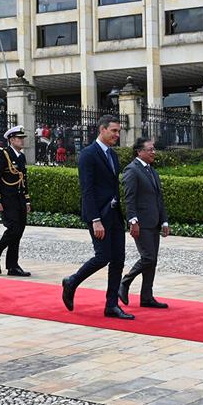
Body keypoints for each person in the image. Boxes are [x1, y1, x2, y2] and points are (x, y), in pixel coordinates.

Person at [61, 115, 132, 320]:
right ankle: (72, 281)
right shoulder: (88, 155)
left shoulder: (113, 155)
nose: (117, 135)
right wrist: (95, 219)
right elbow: (87, 190)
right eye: (114, 131)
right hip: (98, 216)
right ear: (102, 130)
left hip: (114, 215)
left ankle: (111, 305)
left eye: (118, 131)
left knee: (118, 259)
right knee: (103, 256)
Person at [118, 137, 169, 309]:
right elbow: (129, 198)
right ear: (139, 152)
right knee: (148, 258)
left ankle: (146, 296)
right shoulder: (132, 170)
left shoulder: (152, 171)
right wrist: (133, 221)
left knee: (152, 261)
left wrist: (164, 221)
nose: (153, 152)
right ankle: (124, 283)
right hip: (141, 223)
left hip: (154, 222)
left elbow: (158, 198)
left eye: (154, 149)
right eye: (150, 149)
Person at [0, 125, 32, 276]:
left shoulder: (21, 156)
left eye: (22, 138)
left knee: (19, 231)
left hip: (19, 199)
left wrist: (26, 200)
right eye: (19, 138)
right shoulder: (3, 154)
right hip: (7, 199)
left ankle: (13, 265)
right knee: (13, 229)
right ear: (11, 140)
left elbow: (23, 179)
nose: (22, 141)